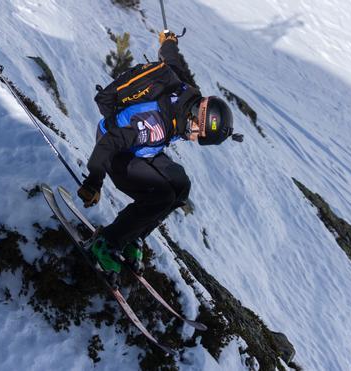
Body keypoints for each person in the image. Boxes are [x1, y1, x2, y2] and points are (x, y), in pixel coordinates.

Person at [77, 30, 242, 276]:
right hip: (116, 153)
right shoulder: (155, 124)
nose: (194, 139)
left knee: (181, 184)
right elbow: (108, 144)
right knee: (161, 195)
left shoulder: (187, 90)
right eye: (199, 136)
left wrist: (168, 42)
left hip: (141, 150)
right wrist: (93, 183)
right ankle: (105, 243)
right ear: (197, 121)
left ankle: (133, 236)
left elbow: (173, 62)